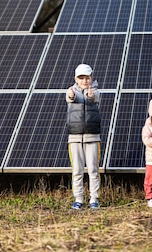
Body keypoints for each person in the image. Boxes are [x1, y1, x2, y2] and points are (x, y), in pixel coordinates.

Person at [66, 63, 101, 210]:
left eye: (87, 78)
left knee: (93, 169)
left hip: (92, 136)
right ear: (76, 79)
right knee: (77, 170)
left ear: (91, 78)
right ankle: (78, 198)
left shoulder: (96, 91)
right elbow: (70, 98)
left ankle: (94, 198)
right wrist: (71, 95)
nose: (84, 81)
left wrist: (91, 96)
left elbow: (95, 99)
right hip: (74, 137)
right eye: (81, 78)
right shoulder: (70, 91)